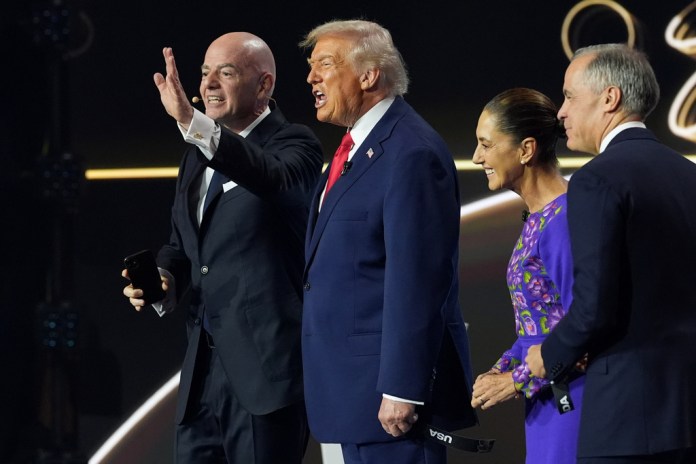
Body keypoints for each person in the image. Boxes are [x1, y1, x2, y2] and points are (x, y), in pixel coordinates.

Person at [121, 32, 323, 463]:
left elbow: (267, 176)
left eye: (226, 73)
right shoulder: (196, 154)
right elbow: (183, 244)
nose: (209, 83)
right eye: (205, 72)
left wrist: (194, 125)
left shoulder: (296, 144)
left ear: (264, 86)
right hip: (201, 377)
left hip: (266, 378)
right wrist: (164, 278)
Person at [298, 19, 477, 464]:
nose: (311, 77)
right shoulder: (353, 152)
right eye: (311, 66)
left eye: (324, 64)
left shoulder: (411, 152)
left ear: (369, 75)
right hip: (344, 399)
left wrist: (403, 386)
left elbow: (419, 280)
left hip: (387, 406)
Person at [526, 43, 696, 463]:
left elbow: (595, 305)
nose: (561, 112)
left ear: (610, 98)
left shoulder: (596, 179)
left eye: (568, 96)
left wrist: (547, 355)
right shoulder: (689, 174)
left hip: (626, 419)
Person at [470, 88, 584, 463]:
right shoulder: (539, 219)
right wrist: (499, 370)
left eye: (486, 145)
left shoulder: (565, 221)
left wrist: (514, 381)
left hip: (573, 399)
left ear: (526, 149)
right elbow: (536, 324)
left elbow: (583, 329)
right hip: (547, 397)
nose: (477, 157)